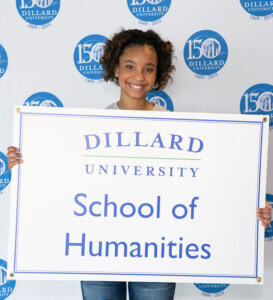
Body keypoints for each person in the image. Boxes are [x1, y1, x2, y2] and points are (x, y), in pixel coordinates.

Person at [7, 29, 272, 300]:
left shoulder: (178, 127)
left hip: (159, 251)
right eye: (130, 67)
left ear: (158, 74)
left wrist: (248, 211)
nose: (138, 76)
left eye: (148, 69)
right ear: (116, 70)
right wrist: (29, 162)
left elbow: (208, 184)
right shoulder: (89, 126)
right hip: (97, 248)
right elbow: (63, 179)